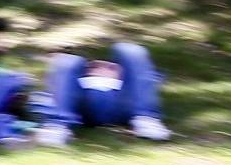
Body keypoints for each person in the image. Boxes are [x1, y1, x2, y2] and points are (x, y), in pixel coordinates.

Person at [43, 42, 172, 140]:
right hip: (82, 105)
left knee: (128, 49)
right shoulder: (74, 77)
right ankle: (58, 126)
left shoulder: (131, 81)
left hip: (122, 103)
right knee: (66, 60)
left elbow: (148, 78)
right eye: (94, 66)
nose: (102, 67)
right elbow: (57, 87)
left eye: (111, 67)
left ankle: (146, 119)